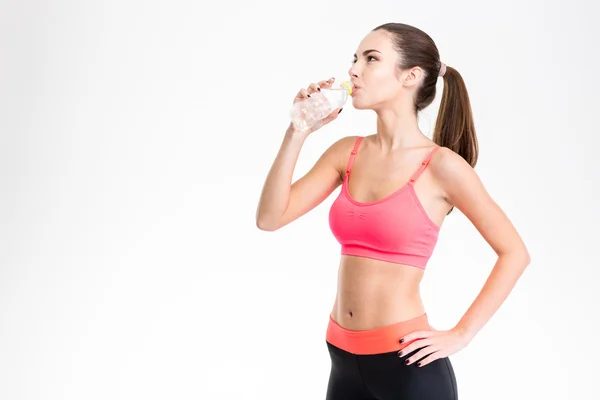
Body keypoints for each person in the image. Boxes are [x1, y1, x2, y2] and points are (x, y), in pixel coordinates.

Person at [255, 22, 530, 400]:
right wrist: (297, 131)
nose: (354, 70)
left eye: (371, 59)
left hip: (408, 365)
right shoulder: (347, 153)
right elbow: (270, 218)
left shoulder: (442, 166)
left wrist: (461, 334)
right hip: (342, 359)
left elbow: (514, 253)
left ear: (410, 76)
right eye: (355, 59)